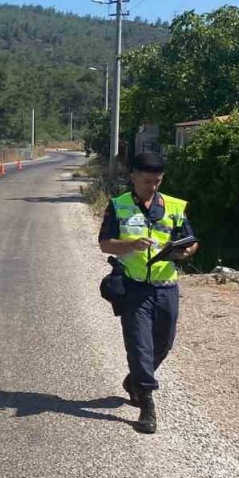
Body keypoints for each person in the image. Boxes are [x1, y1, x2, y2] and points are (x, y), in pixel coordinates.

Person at [98, 152, 198, 434]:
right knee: (139, 343)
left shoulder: (175, 207)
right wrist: (129, 244)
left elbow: (192, 241)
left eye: (156, 181)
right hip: (133, 285)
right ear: (133, 177)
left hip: (166, 287)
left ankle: (134, 380)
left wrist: (187, 251)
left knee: (163, 343)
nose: (151, 186)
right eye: (146, 181)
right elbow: (105, 244)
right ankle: (146, 402)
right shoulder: (118, 206)